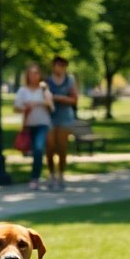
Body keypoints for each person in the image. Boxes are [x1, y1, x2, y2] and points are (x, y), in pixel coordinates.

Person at [13, 62, 54, 190]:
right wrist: (25, 107)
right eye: (31, 73)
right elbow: (16, 108)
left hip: (43, 123)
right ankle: (40, 174)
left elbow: (51, 106)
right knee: (32, 151)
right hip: (29, 125)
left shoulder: (44, 89)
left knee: (38, 148)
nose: (34, 76)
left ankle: (35, 178)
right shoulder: (23, 91)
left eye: (36, 73)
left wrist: (39, 102)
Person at [44, 56, 79, 190]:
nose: (59, 68)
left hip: (65, 118)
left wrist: (59, 98)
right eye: (56, 65)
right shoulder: (47, 81)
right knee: (50, 146)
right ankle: (51, 173)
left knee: (62, 147)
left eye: (62, 65)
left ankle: (61, 174)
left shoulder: (70, 80)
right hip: (50, 117)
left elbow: (74, 100)